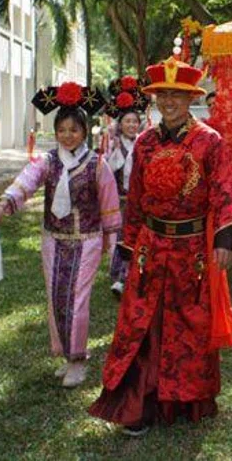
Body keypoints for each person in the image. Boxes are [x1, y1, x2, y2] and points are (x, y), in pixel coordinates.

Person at [88, 57, 232, 436]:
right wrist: (127, 243)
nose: (169, 101)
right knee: (141, 323)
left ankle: (186, 400)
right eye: (163, 94)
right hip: (150, 246)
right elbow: (135, 198)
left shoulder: (210, 141)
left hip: (192, 251)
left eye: (177, 94)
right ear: (154, 98)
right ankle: (139, 402)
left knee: (187, 325)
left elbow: (224, 192)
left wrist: (224, 238)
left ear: (190, 98)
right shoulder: (144, 143)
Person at [0, 82, 119, 388]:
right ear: (55, 131)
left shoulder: (97, 165)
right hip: (53, 240)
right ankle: (66, 353)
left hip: (87, 241)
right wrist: (1, 206)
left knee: (78, 299)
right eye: (62, 129)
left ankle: (79, 359)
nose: (68, 135)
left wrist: (113, 244)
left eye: (74, 129)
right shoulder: (48, 162)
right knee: (56, 296)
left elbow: (110, 207)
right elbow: (25, 182)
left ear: (85, 132)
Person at [105, 75, 151, 297]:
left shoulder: (145, 144)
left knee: (138, 237)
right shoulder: (112, 145)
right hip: (119, 200)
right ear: (120, 124)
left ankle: (135, 274)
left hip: (139, 201)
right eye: (127, 122)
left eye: (135, 122)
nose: (131, 125)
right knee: (121, 237)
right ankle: (119, 277)